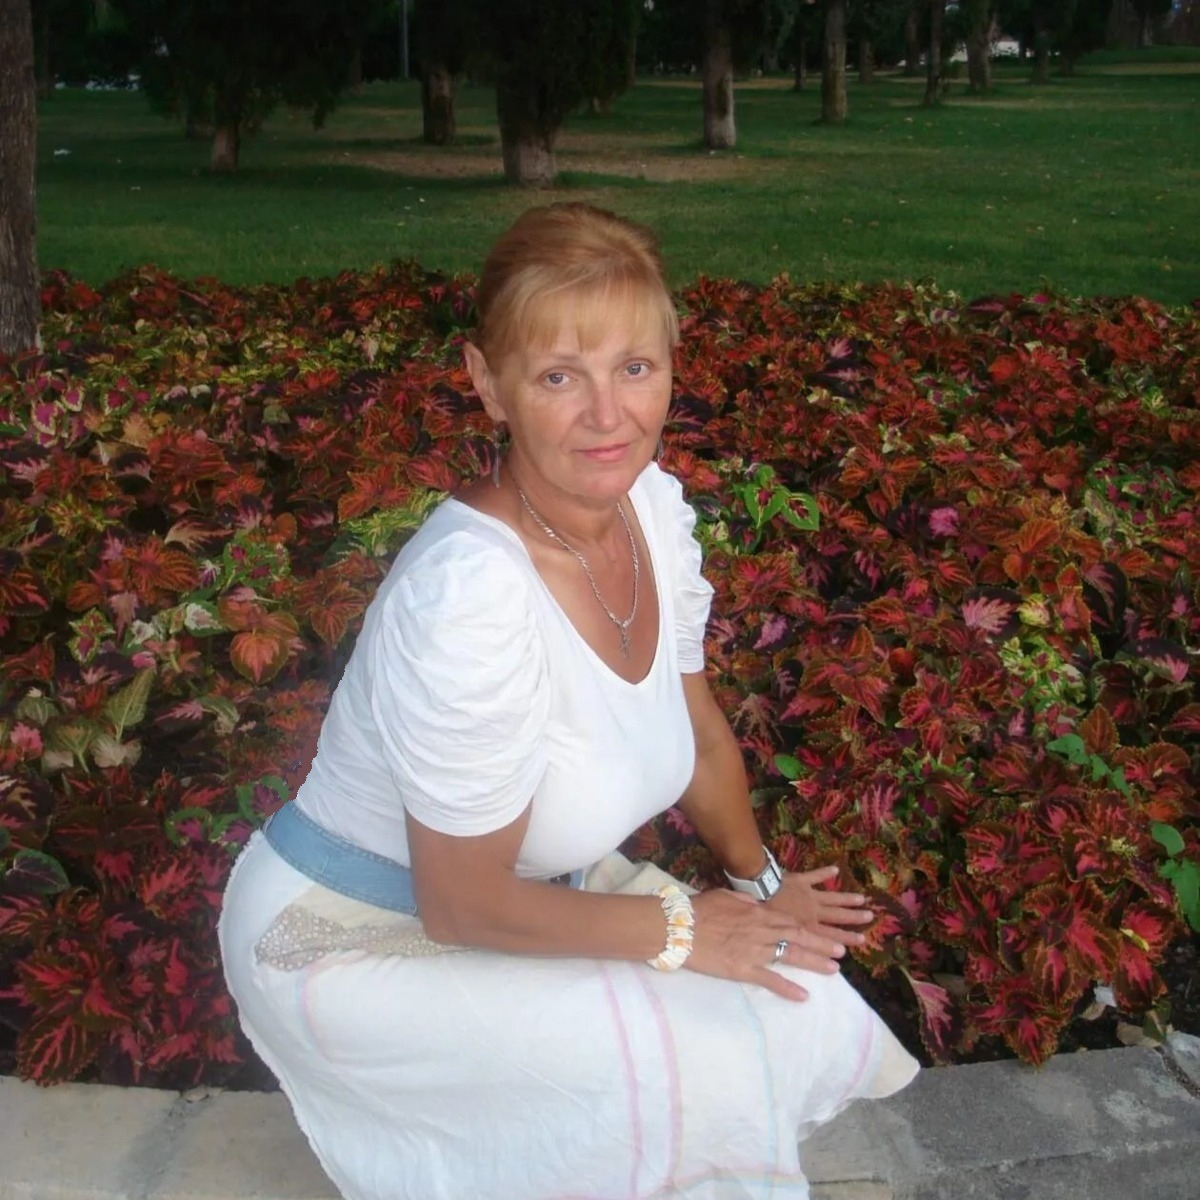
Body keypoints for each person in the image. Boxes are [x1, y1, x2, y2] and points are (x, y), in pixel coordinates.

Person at [218, 203, 918, 1200]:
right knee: (702, 1071)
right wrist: (688, 929)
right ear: (487, 383)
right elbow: (460, 904)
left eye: (635, 368)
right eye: (559, 377)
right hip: (350, 938)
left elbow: (696, 732)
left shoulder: (648, 511)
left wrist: (761, 889)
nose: (609, 415)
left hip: (523, 901)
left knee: (797, 996)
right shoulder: (471, 600)